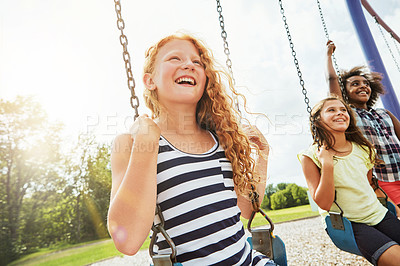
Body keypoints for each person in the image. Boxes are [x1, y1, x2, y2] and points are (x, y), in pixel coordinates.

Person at [107, 32, 275, 265]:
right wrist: (148, 140)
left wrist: (262, 156)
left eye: (197, 62)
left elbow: (246, 210)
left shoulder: (221, 139)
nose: (188, 64)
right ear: (150, 81)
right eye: (175, 58)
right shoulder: (132, 144)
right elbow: (128, 241)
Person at [299, 96, 400, 265]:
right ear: (318, 120)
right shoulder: (310, 156)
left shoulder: (364, 149)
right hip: (348, 223)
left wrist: (394, 207)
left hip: (378, 214)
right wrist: (327, 164)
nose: (340, 113)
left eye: (343, 110)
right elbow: (324, 203)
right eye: (331, 110)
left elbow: (369, 185)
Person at [326, 40, 400, 208]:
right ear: (344, 91)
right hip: (381, 178)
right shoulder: (347, 114)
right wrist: (328, 56)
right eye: (355, 84)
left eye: (366, 84)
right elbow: (332, 80)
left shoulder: (384, 113)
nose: (363, 87)